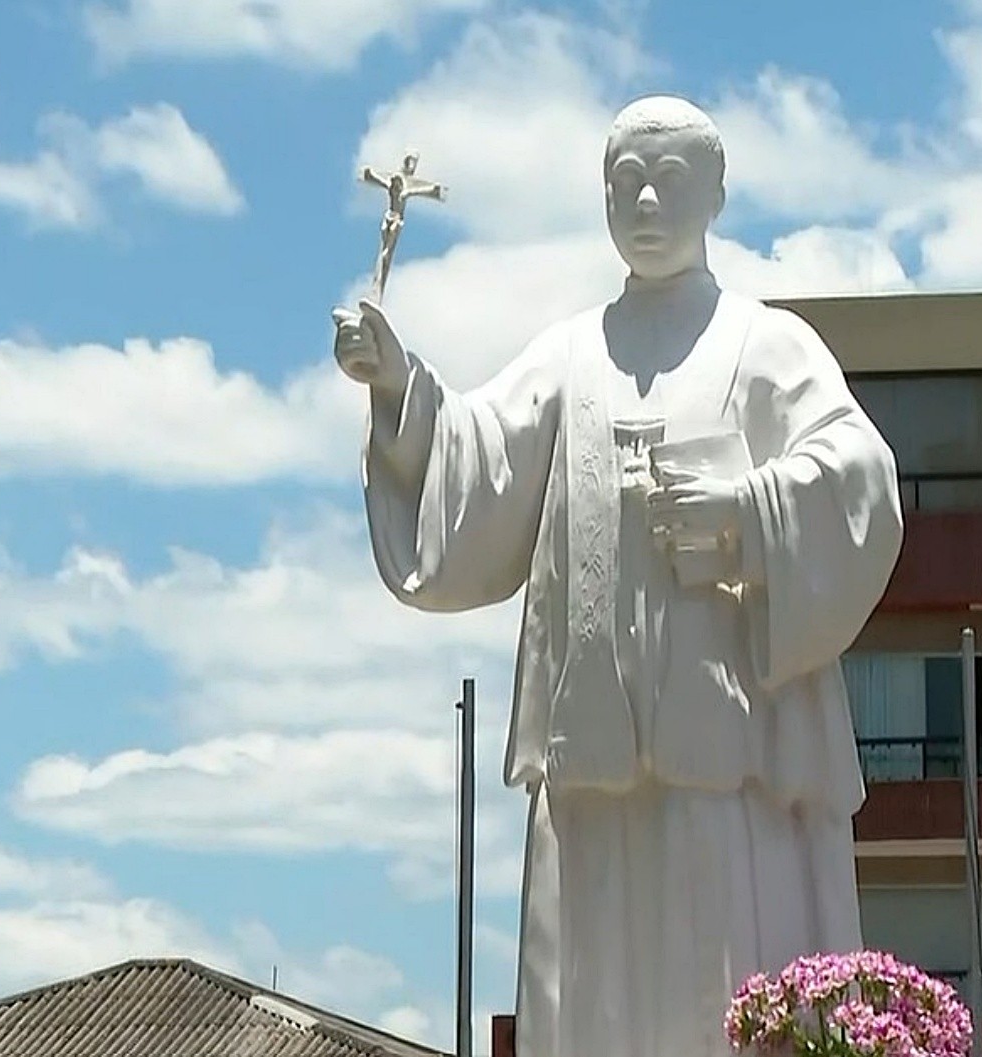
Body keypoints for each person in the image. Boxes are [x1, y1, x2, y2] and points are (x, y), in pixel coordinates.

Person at [333, 94, 903, 1057]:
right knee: (592, 982)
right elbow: (478, 461)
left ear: (714, 195)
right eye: (625, 182)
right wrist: (399, 387)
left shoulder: (767, 344)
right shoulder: (569, 354)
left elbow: (859, 478)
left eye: (668, 180)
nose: (644, 201)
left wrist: (745, 512)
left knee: (727, 974)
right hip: (592, 749)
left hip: (726, 753)